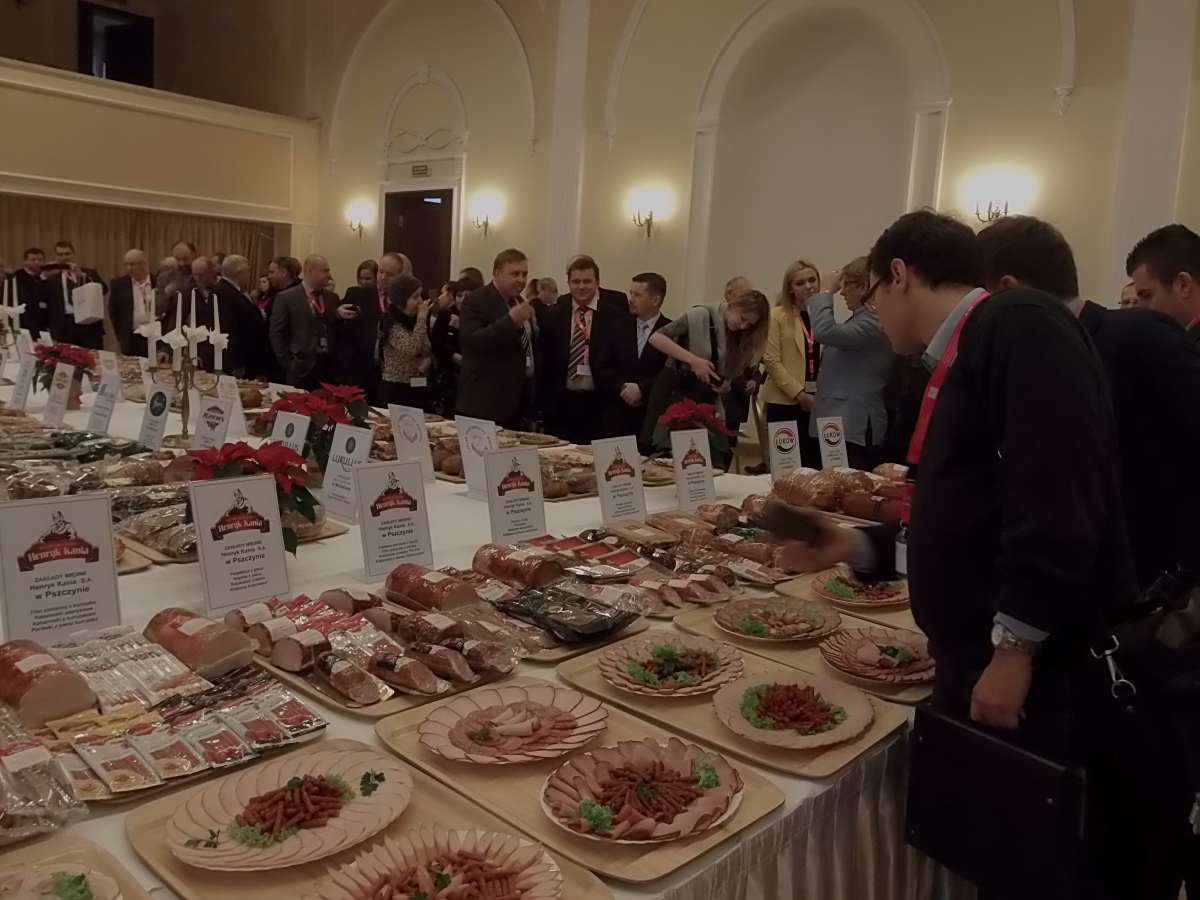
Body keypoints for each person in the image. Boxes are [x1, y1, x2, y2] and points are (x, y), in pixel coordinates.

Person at [783, 210, 1138, 899]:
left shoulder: (1018, 320)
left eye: (870, 297)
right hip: (982, 657)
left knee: (1037, 871)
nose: (871, 315)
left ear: (899, 275)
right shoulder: (971, 345)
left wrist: (1015, 649)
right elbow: (970, 516)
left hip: (1040, 673)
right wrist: (855, 544)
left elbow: (1058, 497)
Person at [642, 289, 769, 460]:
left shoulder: (738, 334)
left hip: (705, 394)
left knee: (697, 457)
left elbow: (726, 365)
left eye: (750, 325)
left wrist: (727, 382)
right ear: (734, 305)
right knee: (662, 453)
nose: (743, 326)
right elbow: (656, 338)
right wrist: (693, 360)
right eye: (743, 319)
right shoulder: (699, 315)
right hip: (675, 389)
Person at [807, 256, 895, 469]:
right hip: (839, 423)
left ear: (863, 287)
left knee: (847, 485)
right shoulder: (860, 319)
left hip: (853, 425)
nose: (842, 292)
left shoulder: (872, 321)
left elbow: (824, 331)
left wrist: (825, 292)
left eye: (847, 284)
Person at [537, 255, 629, 444]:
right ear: (568, 283)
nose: (581, 287)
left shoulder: (615, 316)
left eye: (587, 281)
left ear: (597, 282)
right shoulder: (553, 315)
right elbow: (545, 361)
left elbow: (621, 360)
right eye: (576, 281)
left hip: (600, 404)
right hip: (561, 404)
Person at [592, 271, 672, 447]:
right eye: (631, 294)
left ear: (655, 300)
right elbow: (602, 366)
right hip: (616, 416)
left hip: (651, 417)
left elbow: (670, 374)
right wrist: (622, 386)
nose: (631, 300)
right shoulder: (616, 326)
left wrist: (642, 389)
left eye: (637, 295)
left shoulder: (671, 331)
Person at [456, 249, 534, 427]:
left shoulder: (520, 302)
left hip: (516, 402)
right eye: (515, 274)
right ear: (497, 273)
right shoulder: (476, 300)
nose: (521, 280)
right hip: (484, 403)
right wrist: (510, 321)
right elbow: (472, 342)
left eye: (524, 274)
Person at [762, 260, 821, 458]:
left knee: (812, 465)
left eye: (812, 280)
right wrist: (799, 395)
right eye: (800, 283)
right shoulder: (776, 316)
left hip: (816, 402)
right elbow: (771, 361)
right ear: (790, 289)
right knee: (788, 466)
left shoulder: (822, 317)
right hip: (785, 402)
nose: (808, 286)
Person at [269, 253, 337, 388]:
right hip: (300, 367)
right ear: (310, 271)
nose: (329, 275)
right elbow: (276, 333)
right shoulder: (286, 297)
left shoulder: (332, 297)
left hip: (328, 366)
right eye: (325, 271)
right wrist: (289, 363)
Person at [331, 258, 386, 395]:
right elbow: (337, 316)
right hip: (357, 360)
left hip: (380, 361)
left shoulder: (387, 296)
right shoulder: (354, 293)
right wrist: (338, 314)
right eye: (360, 278)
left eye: (368, 279)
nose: (363, 282)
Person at [166, 257, 231, 372]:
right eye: (195, 275)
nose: (198, 278)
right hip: (200, 348)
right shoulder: (189, 291)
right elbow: (177, 321)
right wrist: (167, 349)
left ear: (212, 272)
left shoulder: (224, 288)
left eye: (202, 275)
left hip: (224, 346)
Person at [378, 274, 433, 409]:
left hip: (416, 385)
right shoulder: (391, 323)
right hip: (396, 389)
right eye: (415, 297)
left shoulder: (413, 322)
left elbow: (425, 348)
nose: (420, 301)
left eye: (420, 296)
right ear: (401, 300)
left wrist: (428, 360)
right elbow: (412, 348)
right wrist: (421, 319)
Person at [44, 240, 107, 348]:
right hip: (65, 326)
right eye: (60, 254)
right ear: (56, 257)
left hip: (89, 324)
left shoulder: (89, 273)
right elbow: (44, 300)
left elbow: (103, 290)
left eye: (67, 254)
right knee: (67, 357)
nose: (64, 257)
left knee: (92, 356)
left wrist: (82, 276)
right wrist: (43, 276)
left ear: (73, 254)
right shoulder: (52, 279)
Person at [215, 255, 267, 378]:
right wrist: (236, 363)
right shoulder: (224, 292)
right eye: (248, 271)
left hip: (246, 356)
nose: (249, 275)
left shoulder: (233, 290)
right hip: (237, 359)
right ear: (239, 272)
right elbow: (228, 328)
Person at [430, 280, 467, 416]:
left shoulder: (480, 318)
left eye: (467, 296)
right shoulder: (446, 314)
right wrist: (453, 356)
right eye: (459, 295)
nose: (462, 300)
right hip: (449, 375)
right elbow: (436, 343)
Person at [109, 249, 155, 356]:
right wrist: (121, 336)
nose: (129, 268)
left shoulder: (157, 281)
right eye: (127, 264)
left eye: (133, 264)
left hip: (154, 337)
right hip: (131, 339)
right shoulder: (118, 284)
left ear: (144, 264)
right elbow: (113, 312)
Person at [7, 247, 48, 336]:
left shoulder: (45, 278)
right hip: (23, 322)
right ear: (25, 261)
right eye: (33, 259)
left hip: (42, 323)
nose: (37, 262)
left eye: (40, 260)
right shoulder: (16, 277)